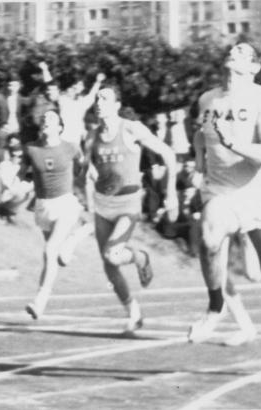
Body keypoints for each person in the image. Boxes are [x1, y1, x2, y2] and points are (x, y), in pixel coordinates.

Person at [188, 42, 261, 369]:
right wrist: (198, 167)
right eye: (232, 49)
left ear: (254, 67)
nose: (233, 52)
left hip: (257, 193)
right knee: (209, 237)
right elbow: (201, 138)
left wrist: (233, 143)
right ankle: (215, 307)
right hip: (220, 191)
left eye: (243, 52)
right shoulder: (207, 99)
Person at [85, 84, 178, 333]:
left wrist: (170, 192)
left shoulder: (131, 129)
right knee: (109, 266)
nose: (99, 102)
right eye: (97, 98)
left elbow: (168, 154)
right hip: (104, 203)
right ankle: (133, 313)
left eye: (105, 98)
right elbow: (85, 168)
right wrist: (94, 179)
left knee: (112, 254)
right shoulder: (92, 136)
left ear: (116, 105)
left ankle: (140, 257)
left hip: (128, 203)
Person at [24, 110, 93, 319]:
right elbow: (22, 174)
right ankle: (73, 241)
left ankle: (39, 300)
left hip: (65, 204)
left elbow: (84, 168)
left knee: (50, 249)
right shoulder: (31, 149)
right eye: (44, 119)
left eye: (51, 119)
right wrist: (16, 185)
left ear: (60, 127)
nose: (46, 121)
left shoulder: (70, 147)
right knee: (52, 258)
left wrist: (88, 188)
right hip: (43, 206)